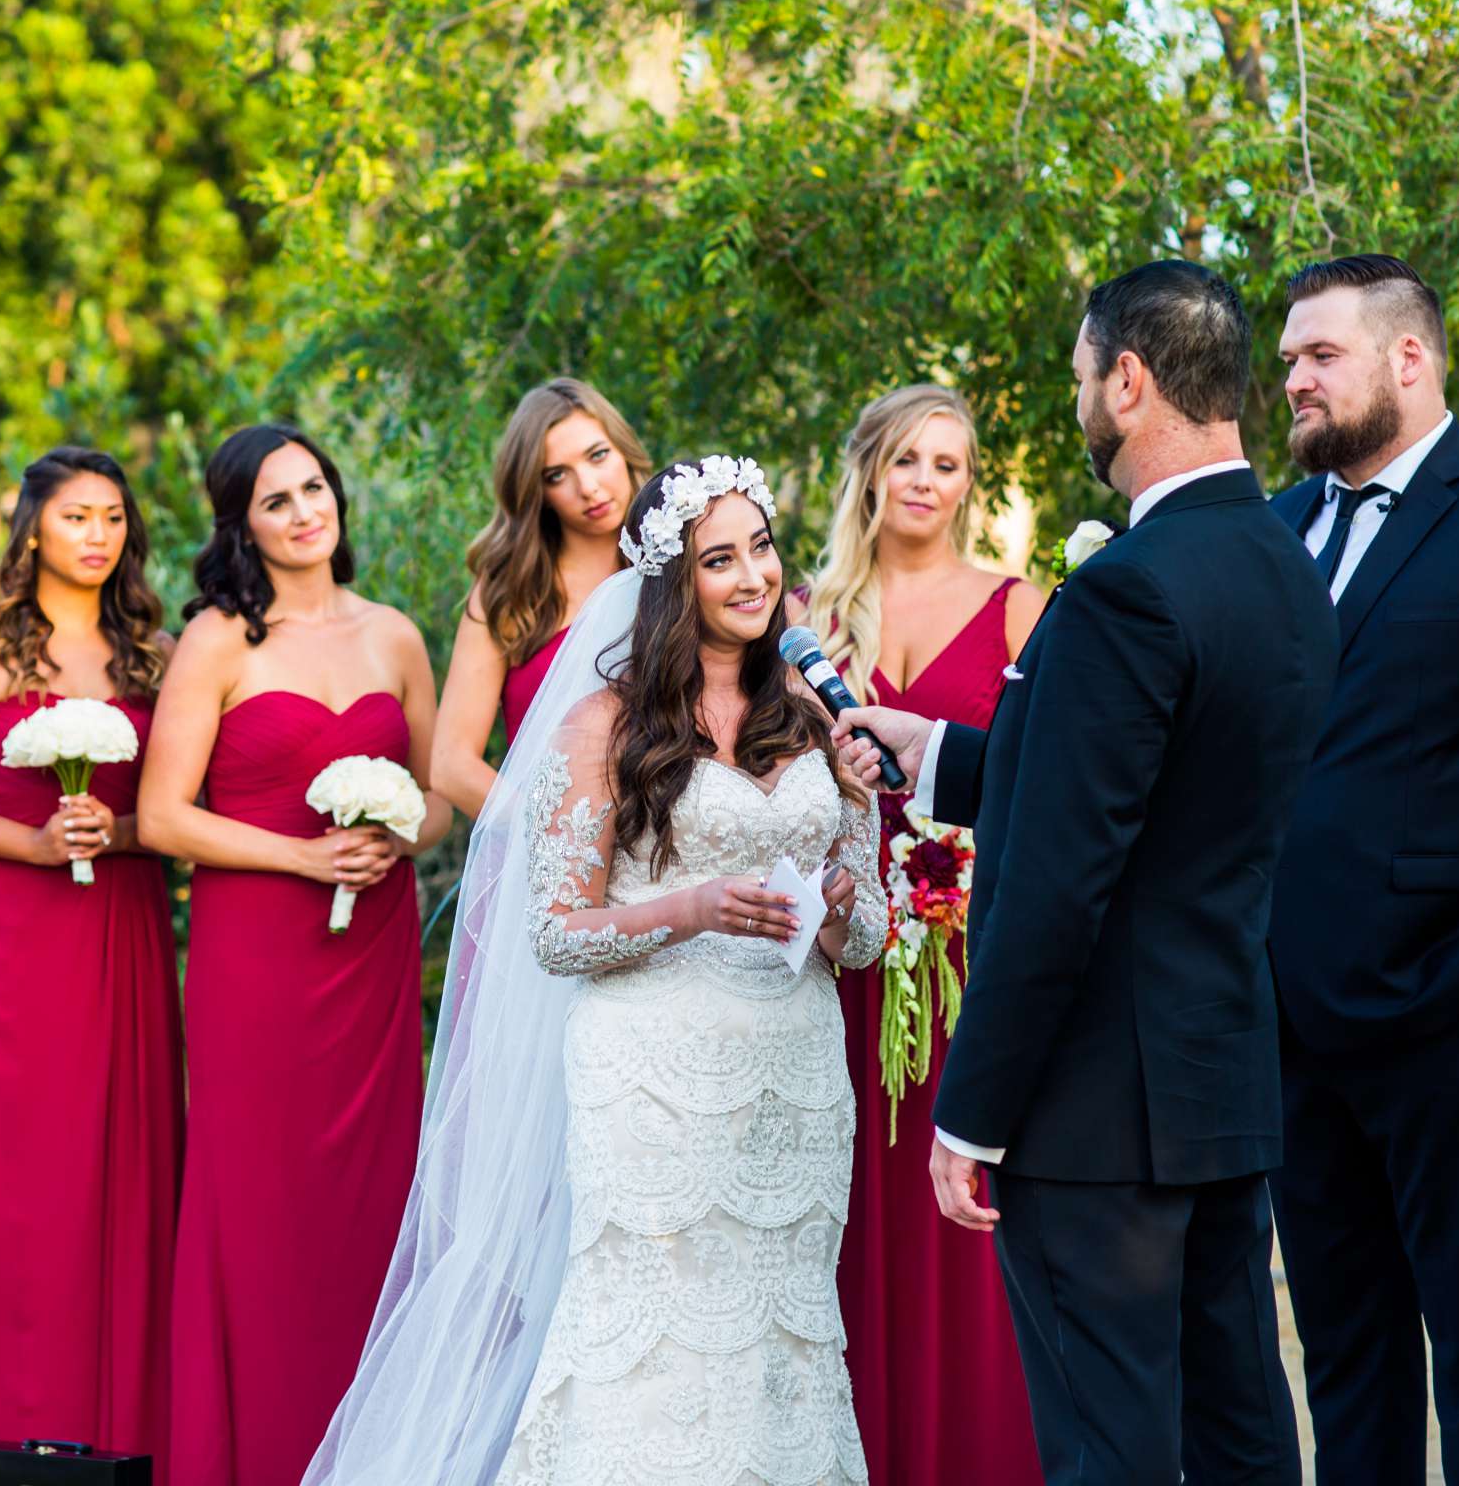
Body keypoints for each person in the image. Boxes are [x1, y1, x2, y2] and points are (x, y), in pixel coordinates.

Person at [836, 260, 1337, 1486]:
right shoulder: (1286, 568)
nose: (1077, 404)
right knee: (1241, 1437)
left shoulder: (1127, 587)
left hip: (1094, 1112)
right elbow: (1165, 798)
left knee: (1106, 1452)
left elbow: (1064, 880)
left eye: (1078, 378)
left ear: (1128, 380)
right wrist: (948, 758)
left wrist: (972, 1111)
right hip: (1217, 1079)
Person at [305, 455, 887, 1486]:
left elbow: (870, 937)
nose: (753, 575)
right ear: (674, 582)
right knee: (648, 1340)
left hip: (794, 1078)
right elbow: (560, 934)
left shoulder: (813, 712)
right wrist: (693, 907)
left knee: (782, 1338)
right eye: (721, 558)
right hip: (650, 1079)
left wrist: (846, 870)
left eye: (761, 547)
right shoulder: (602, 726)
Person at [1264, 254, 1459, 1486]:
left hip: (1453, 1011)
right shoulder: (1274, 532)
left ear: (1408, 359)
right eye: (1286, 360)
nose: (1291, 380)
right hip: (1290, 1023)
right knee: (1345, 1362)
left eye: (1317, 356)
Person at [138, 423, 450, 1486]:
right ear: (244, 526)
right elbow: (161, 815)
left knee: (371, 1198)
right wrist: (302, 857)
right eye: (276, 501)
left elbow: (441, 796)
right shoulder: (221, 640)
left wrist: (394, 831)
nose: (305, 510)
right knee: (259, 1204)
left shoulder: (396, 636)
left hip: (370, 950)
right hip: (256, 957)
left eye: (314, 487)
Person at [0, 447, 183, 1482]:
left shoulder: (159, 652)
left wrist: (122, 829)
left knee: (111, 1167)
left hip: (118, 932)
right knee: (4, 1175)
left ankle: (109, 1430)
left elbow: (190, 811)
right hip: (2, 932)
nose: (94, 535)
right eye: (73, 517)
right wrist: (33, 844)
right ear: (32, 531)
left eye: (111, 517)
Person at [805, 385, 1042, 1486]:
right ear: (868, 469)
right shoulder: (803, 612)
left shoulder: (1017, 610)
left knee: (962, 1230)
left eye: (947, 464)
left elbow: (1049, 792)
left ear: (968, 481)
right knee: (844, 1217)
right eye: (906, 458)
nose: (925, 482)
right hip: (837, 959)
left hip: (968, 962)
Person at [431, 378, 650, 817]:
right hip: (550, 856)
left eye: (597, 455)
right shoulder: (511, 591)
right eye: (557, 475)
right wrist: (548, 844)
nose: (587, 487)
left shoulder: (681, 562)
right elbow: (451, 765)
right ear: (536, 490)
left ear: (623, 449)